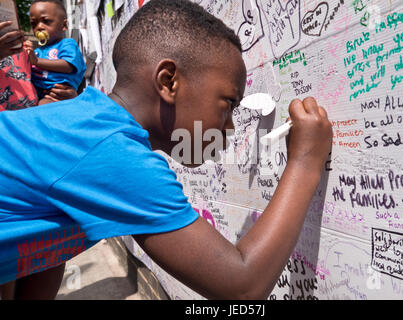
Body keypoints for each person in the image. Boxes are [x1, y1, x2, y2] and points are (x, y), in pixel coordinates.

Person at [0, 0, 332, 300]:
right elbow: (242, 285)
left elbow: (44, 245)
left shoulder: (85, 124)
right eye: (228, 103)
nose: (230, 127)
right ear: (169, 81)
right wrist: (304, 162)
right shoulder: (112, 153)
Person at [0, 19, 80, 300]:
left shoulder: (26, 49)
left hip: (34, 161)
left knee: (48, 247)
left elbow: (37, 91)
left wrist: (63, 97)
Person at [23, 0, 86, 105]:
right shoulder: (37, 52)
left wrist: (37, 61)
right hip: (38, 93)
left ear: (64, 25)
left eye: (46, 21)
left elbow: (68, 65)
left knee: (42, 106)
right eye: (34, 24)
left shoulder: (67, 44)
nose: (39, 27)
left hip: (58, 95)